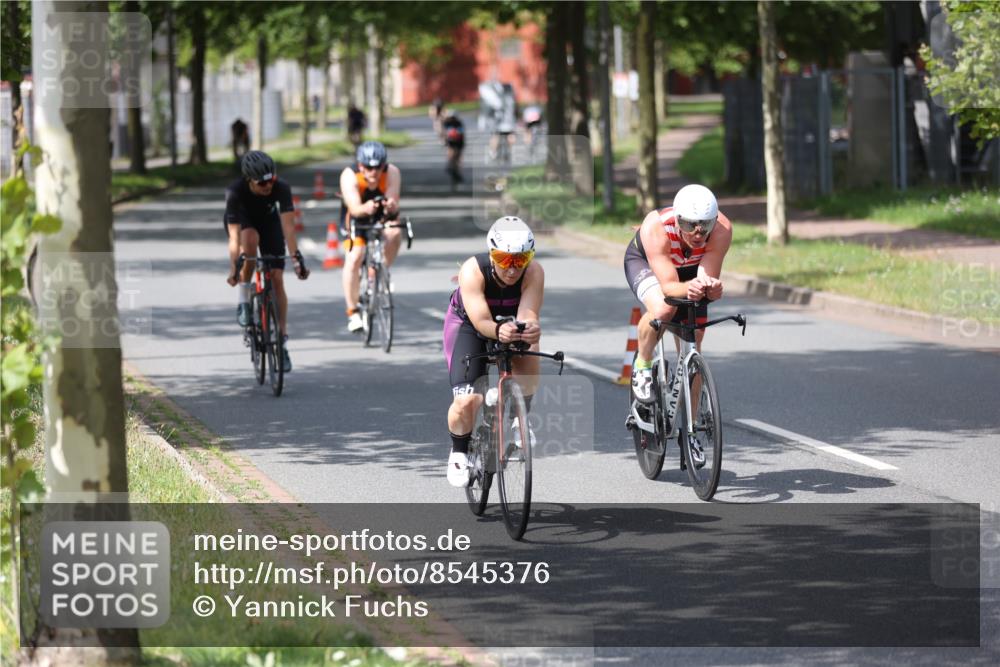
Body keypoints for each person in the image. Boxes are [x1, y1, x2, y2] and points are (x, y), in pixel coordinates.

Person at [623, 184, 732, 460]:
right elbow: (670, 287)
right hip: (648, 263)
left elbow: (706, 279)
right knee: (663, 309)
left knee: (693, 345)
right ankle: (643, 365)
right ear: (678, 219)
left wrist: (712, 289)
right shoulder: (656, 227)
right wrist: (692, 288)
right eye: (689, 224)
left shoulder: (721, 229)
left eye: (704, 225)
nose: (698, 233)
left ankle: (691, 432)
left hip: (689, 268)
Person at [442, 217, 544, 487]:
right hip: (470, 325)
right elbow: (481, 321)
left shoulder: (534, 272)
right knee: (467, 402)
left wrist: (530, 328)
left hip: (508, 324)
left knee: (531, 347)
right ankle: (459, 451)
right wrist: (499, 331)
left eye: (521, 259)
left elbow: (528, 312)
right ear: (491, 254)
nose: (512, 269)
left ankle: (520, 419)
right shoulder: (473, 270)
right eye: (504, 258)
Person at [226, 150, 309, 372]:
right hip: (245, 222)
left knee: (277, 277)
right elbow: (234, 238)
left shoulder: (281, 187)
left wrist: (296, 259)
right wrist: (234, 267)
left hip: (269, 221)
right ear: (248, 180)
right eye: (261, 184)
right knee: (250, 242)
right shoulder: (235, 192)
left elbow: (289, 228)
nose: (268, 187)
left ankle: (281, 341)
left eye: (270, 180)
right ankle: (244, 297)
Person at [339, 141, 403, 333]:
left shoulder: (392, 172)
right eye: (368, 167)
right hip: (356, 216)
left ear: (383, 165)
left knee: (395, 232)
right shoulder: (349, 175)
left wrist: (391, 205)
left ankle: (380, 272)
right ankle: (353, 312)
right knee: (355, 256)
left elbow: (393, 200)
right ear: (360, 166)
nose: (373, 172)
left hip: (381, 212)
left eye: (377, 167)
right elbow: (354, 207)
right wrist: (364, 209)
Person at [441, 109, 465, 190]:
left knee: (457, 157)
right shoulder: (447, 123)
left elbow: (461, 135)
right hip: (452, 142)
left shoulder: (457, 123)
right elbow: (444, 133)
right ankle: (450, 167)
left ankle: (455, 170)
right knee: (451, 154)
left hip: (458, 143)